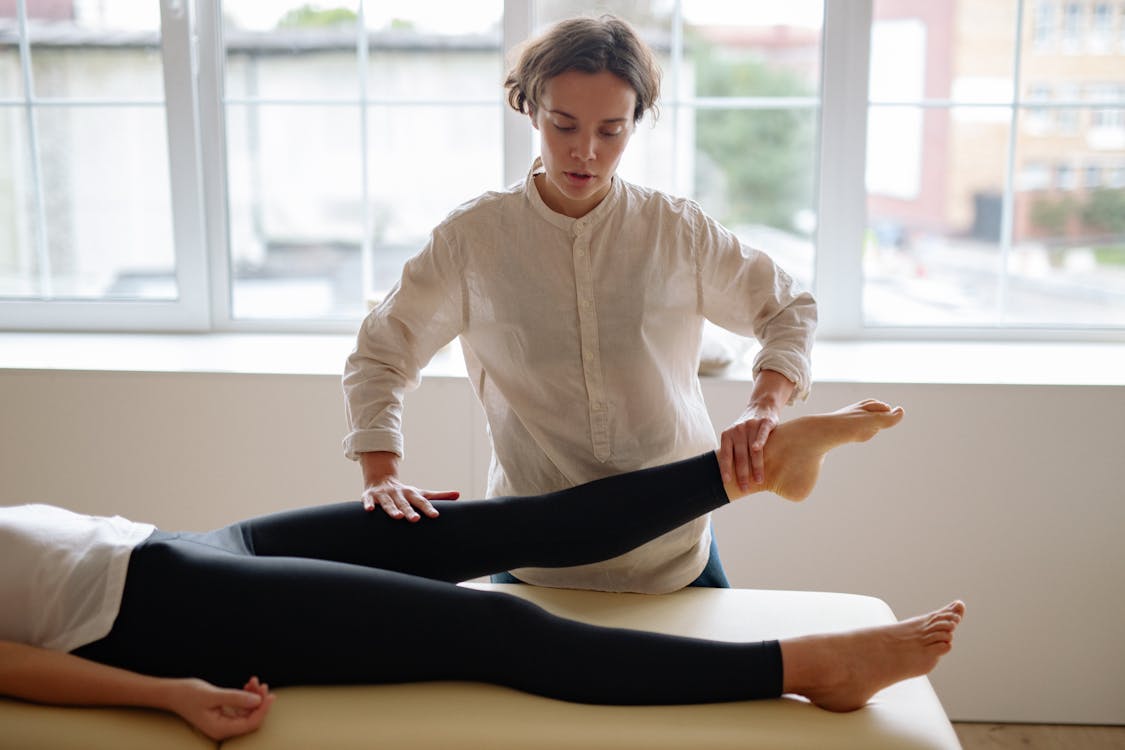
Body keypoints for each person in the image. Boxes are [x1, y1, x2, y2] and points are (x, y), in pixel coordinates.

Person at [1, 402, 964, 742]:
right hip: (162, 615)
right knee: (492, 629)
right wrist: (168, 695)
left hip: (184, 551)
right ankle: (807, 670)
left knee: (507, 526)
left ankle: (757, 465)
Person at [342, 14, 817, 593]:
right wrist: (380, 473)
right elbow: (380, 353)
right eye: (563, 124)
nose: (584, 152)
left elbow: (789, 307)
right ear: (531, 111)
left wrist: (765, 406)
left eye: (610, 131)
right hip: (533, 557)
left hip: (674, 551)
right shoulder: (474, 239)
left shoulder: (676, 231)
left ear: (636, 124)